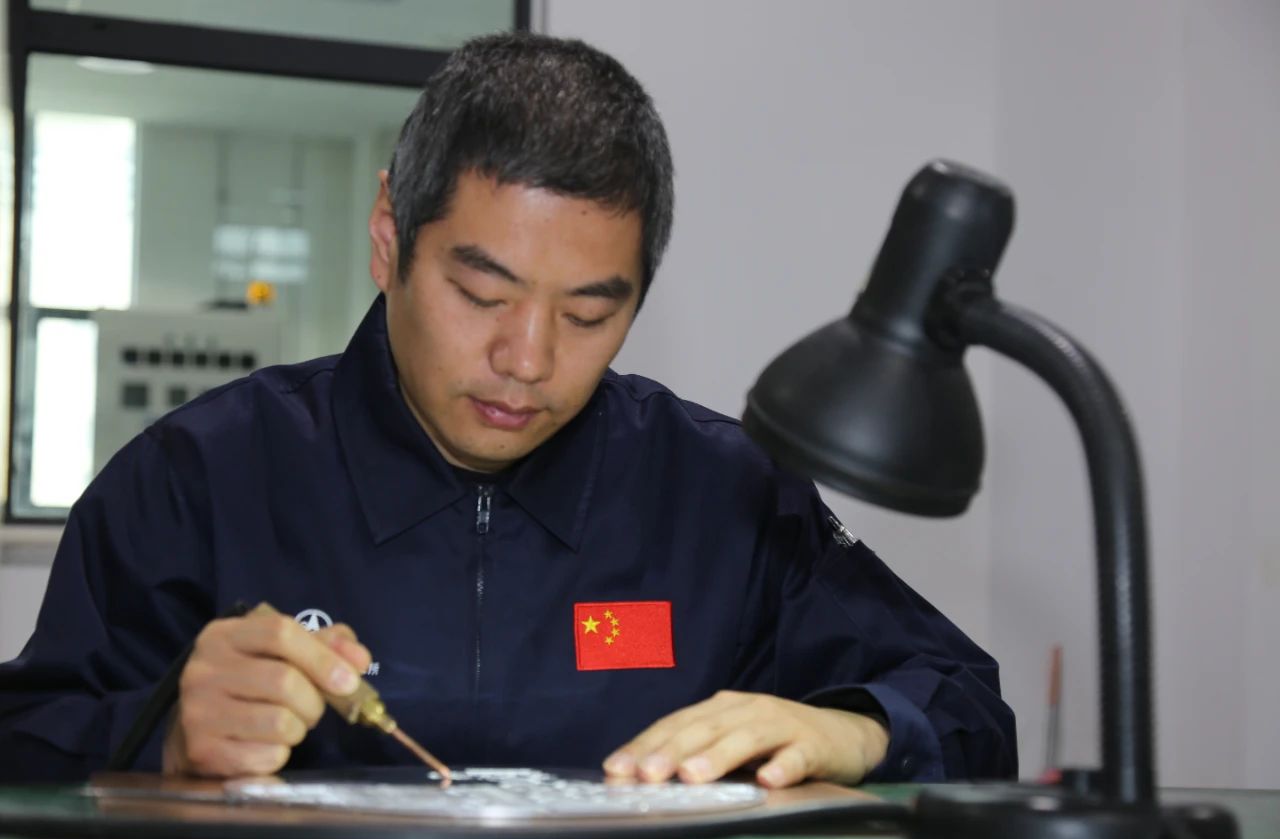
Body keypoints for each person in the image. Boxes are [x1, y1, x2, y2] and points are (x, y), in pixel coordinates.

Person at [0, 32, 1016, 787]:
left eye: (587, 314)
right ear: (389, 238)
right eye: (481, 294)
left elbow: (967, 706)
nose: (525, 361)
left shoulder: (721, 496)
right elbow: (25, 742)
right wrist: (164, 735)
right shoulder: (196, 477)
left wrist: (856, 730)